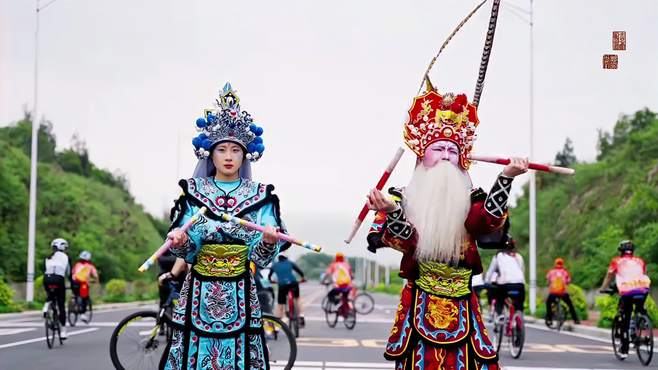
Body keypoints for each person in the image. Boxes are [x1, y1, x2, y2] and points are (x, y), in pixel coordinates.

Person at [366, 89, 528, 368]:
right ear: (422, 155)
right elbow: (405, 242)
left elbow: (485, 222)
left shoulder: (472, 198)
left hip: (463, 300)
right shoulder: (401, 198)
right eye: (438, 149)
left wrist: (506, 178)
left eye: (452, 150)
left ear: (461, 158)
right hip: (420, 297)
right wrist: (393, 212)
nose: (445, 156)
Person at [163, 83, 290, 370]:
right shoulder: (193, 192)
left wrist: (269, 240)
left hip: (241, 290)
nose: (229, 156)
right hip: (198, 289)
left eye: (236, 150)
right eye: (222, 149)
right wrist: (180, 238)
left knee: (240, 355)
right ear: (211, 154)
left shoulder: (261, 195)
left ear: (246, 155)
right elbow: (189, 249)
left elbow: (261, 254)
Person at [599, 240, 651, 358]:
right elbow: (643, 274)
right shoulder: (640, 261)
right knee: (640, 309)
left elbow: (609, 276)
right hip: (643, 290)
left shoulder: (617, 261)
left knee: (625, 318)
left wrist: (603, 288)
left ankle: (624, 349)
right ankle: (642, 322)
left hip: (627, 291)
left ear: (621, 251)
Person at [485, 238, 526, 318]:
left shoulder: (498, 256)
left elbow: (491, 271)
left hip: (505, 284)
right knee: (519, 304)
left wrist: (487, 282)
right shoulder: (518, 256)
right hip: (520, 284)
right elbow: (522, 271)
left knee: (499, 299)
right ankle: (519, 315)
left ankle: (500, 316)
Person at [43, 238, 72, 339]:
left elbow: (45, 270)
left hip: (47, 279)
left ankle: (46, 306)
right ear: (64, 247)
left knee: (50, 296)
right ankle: (63, 330)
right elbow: (69, 273)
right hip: (59, 280)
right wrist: (72, 285)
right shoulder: (66, 257)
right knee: (61, 306)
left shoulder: (48, 257)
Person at [268, 254, 306, 326]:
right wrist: (303, 278)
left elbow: (269, 277)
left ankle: (277, 325)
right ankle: (301, 315)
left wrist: (272, 281)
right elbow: (300, 272)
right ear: (286, 258)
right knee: (297, 299)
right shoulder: (290, 263)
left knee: (280, 304)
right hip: (293, 283)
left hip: (282, 285)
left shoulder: (275, 265)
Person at [545, 258, 580, 325]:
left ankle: (549, 319)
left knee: (548, 303)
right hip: (563, 293)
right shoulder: (565, 272)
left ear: (555, 264)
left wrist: (550, 284)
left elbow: (548, 281)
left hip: (553, 293)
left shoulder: (551, 271)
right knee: (570, 305)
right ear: (562, 264)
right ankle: (576, 320)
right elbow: (568, 282)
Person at [71, 250, 99, 323]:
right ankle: (83, 314)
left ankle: (74, 302)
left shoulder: (76, 264)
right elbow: (95, 275)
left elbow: (72, 273)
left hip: (74, 282)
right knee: (85, 298)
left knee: (76, 294)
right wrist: (96, 281)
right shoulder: (90, 266)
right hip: (83, 284)